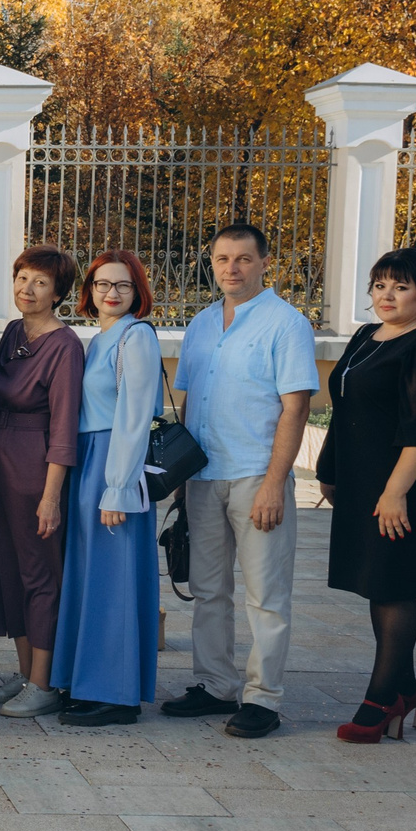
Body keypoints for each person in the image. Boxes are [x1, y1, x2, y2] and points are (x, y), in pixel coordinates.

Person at [161, 222, 320, 740]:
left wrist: (277, 482)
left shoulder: (286, 324)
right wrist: (181, 477)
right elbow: (188, 401)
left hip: (256, 475)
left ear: (264, 263)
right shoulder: (203, 324)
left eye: (244, 259)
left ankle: (262, 697)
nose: (232, 268)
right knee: (208, 590)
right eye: (223, 258)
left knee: (266, 595)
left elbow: (295, 408)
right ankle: (214, 684)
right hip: (204, 476)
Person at [321, 247, 416, 745]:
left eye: (401, 287)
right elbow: (344, 406)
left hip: (403, 486)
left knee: (395, 584)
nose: (387, 295)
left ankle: (381, 700)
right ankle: (406, 686)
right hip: (363, 483)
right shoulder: (365, 336)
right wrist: (330, 471)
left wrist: (396, 491)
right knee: (376, 583)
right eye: (380, 284)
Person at [49, 251, 164, 725]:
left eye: (123, 285)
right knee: (91, 577)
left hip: (114, 463)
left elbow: (134, 418)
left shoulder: (136, 338)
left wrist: (117, 488)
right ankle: (87, 680)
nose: (111, 293)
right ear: (89, 291)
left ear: (138, 293)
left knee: (114, 580)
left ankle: (116, 695)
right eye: (101, 284)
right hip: (88, 462)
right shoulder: (98, 340)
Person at [0, 247, 84, 719]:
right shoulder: (14, 332)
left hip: (34, 466)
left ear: (59, 292)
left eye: (40, 282)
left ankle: (44, 683)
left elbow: (64, 427)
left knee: (40, 573)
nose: (27, 288)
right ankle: (25, 673)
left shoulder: (64, 346)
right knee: (5, 567)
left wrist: (50, 497)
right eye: (22, 277)